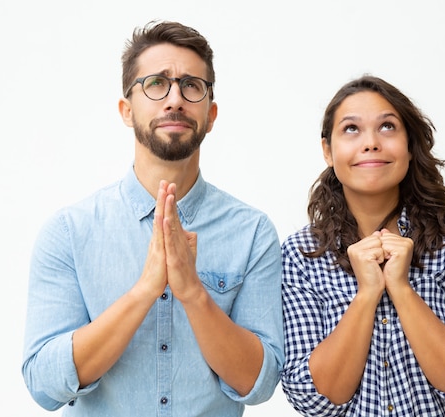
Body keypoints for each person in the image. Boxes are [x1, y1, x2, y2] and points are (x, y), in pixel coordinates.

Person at [22, 20, 284, 417]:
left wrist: (193, 292)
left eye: (191, 85)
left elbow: (259, 383)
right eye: (156, 84)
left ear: (211, 115)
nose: (175, 99)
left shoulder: (252, 232)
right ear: (127, 110)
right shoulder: (69, 231)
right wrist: (146, 289)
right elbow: (44, 384)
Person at [280, 75, 445, 416]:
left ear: (410, 145)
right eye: (351, 129)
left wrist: (400, 288)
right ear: (328, 150)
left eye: (387, 127)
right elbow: (315, 400)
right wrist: (366, 294)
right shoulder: (301, 254)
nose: (371, 143)